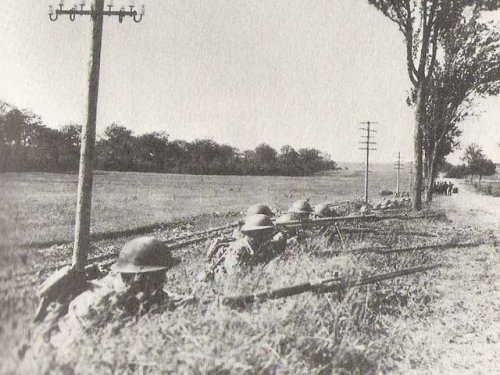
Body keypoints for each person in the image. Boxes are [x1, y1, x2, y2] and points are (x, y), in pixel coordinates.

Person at [20, 237, 185, 363]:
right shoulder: (96, 304)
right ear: (138, 276)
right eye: (159, 275)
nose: (165, 280)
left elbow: (165, 299)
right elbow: (69, 353)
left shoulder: (135, 289)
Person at [200, 214, 286, 280]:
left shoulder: (259, 245)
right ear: (255, 233)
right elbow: (237, 277)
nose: (270, 234)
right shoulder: (238, 250)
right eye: (266, 231)